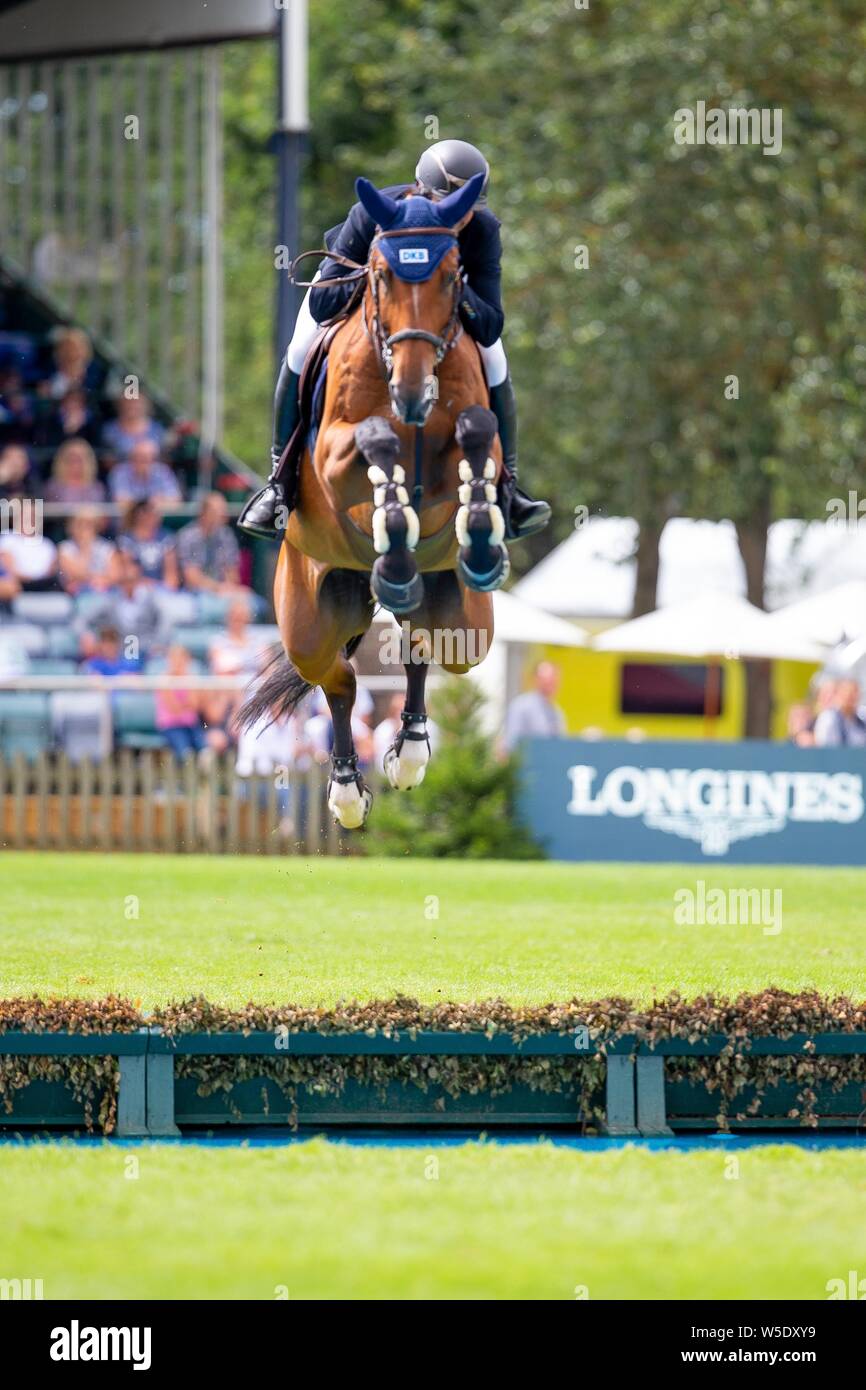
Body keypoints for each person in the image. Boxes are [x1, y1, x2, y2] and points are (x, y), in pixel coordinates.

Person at [239, 138, 550, 543]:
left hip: (440, 302)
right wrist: (382, 280)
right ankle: (280, 481)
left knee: (495, 360)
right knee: (300, 350)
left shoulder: (483, 229)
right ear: (421, 192)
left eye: (464, 214)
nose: (458, 222)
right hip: (361, 290)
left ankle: (507, 489)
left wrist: (453, 287)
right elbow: (323, 302)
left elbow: (490, 323)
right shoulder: (373, 212)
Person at [80, 552, 166, 661]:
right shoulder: (111, 601)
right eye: (124, 582)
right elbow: (84, 620)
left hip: (146, 651)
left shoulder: (150, 599)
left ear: (138, 580)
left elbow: (164, 621)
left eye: (132, 581)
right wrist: (87, 636)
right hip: (118, 654)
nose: (128, 586)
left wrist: (158, 642)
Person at [176, 492, 241, 592]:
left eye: (224, 511)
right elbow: (191, 578)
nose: (223, 515)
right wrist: (218, 589)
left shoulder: (226, 535)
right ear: (205, 513)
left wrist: (229, 591)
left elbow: (232, 573)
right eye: (217, 511)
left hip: (223, 592)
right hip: (195, 593)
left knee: (255, 603)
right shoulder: (187, 536)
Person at [155, 644, 208, 760]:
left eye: (181, 658)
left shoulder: (190, 678)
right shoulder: (163, 679)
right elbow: (174, 708)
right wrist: (186, 703)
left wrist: (185, 703)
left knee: (205, 749)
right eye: (174, 658)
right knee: (184, 751)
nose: (178, 662)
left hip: (190, 724)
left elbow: (195, 705)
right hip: (171, 725)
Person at [504, 659, 566, 751]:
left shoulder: (556, 711)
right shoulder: (521, 706)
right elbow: (511, 742)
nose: (550, 682)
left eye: (553, 678)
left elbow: (561, 742)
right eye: (546, 679)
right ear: (535, 679)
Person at [116, 499, 179, 588]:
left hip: (161, 588)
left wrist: (166, 588)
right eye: (153, 512)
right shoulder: (126, 540)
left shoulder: (166, 537)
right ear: (140, 515)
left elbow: (171, 571)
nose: (158, 515)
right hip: (136, 587)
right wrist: (146, 585)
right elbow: (128, 570)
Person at [58, 510, 118, 595]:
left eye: (88, 525)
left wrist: (98, 581)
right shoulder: (65, 548)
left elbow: (115, 575)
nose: (83, 529)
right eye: (79, 524)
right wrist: (85, 546)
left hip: (106, 592)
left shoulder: (107, 547)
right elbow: (75, 573)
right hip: (78, 594)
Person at [108, 438, 181, 507]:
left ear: (154, 459)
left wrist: (138, 502)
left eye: (145, 458)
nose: (139, 461)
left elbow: (175, 500)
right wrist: (151, 502)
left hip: (156, 518)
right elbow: (120, 501)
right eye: (136, 457)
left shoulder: (163, 471)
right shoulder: (119, 472)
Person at [0, 508, 59, 591]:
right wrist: (30, 580)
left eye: (32, 517)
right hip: (17, 586)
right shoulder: (7, 538)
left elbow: (51, 570)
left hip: (44, 586)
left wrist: (37, 581)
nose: (28, 520)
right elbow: (9, 568)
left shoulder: (47, 543)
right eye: (24, 517)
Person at [101, 393, 165, 462]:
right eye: (129, 402)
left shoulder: (157, 429)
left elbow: (162, 456)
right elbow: (107, 457)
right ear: (120, 404)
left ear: (146, 405)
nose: (132, 406)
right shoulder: (110, 430)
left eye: (137, 402)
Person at [44, 437, 106, 505]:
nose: (75, 464)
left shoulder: (97, 488)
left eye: (79, 459)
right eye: (71, 458)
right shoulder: (53, 487)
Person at [814, 678, 866, 748]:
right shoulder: (828, 718)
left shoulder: (861, 719)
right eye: (848, 694)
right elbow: (825, 748)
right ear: (839, 694)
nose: (852, 698)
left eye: (855, 694)